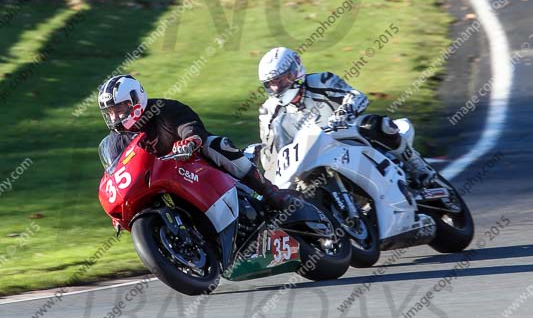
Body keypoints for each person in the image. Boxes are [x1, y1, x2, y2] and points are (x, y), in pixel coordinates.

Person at [97, 74, 292, 208]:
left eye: (120, 109)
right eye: (111, 112)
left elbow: (190, 125)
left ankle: (268, 191)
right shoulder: (117, 141)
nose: (115, 117)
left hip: (193, 166)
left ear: (135, 101)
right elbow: (118, 172)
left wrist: (190, 140)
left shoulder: (163, 109)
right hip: (160, 183)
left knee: (215, 144)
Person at [257, 47, 436, 187]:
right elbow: (271, 154)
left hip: (345, 137)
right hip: (311, 158)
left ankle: (416, 165)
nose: (275, 88)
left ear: (295, 72)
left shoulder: (322, 81)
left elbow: (357, 96)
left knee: (375, 125)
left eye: (280, 80)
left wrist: (342, 114)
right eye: (270, 84)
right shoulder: (269, 112)